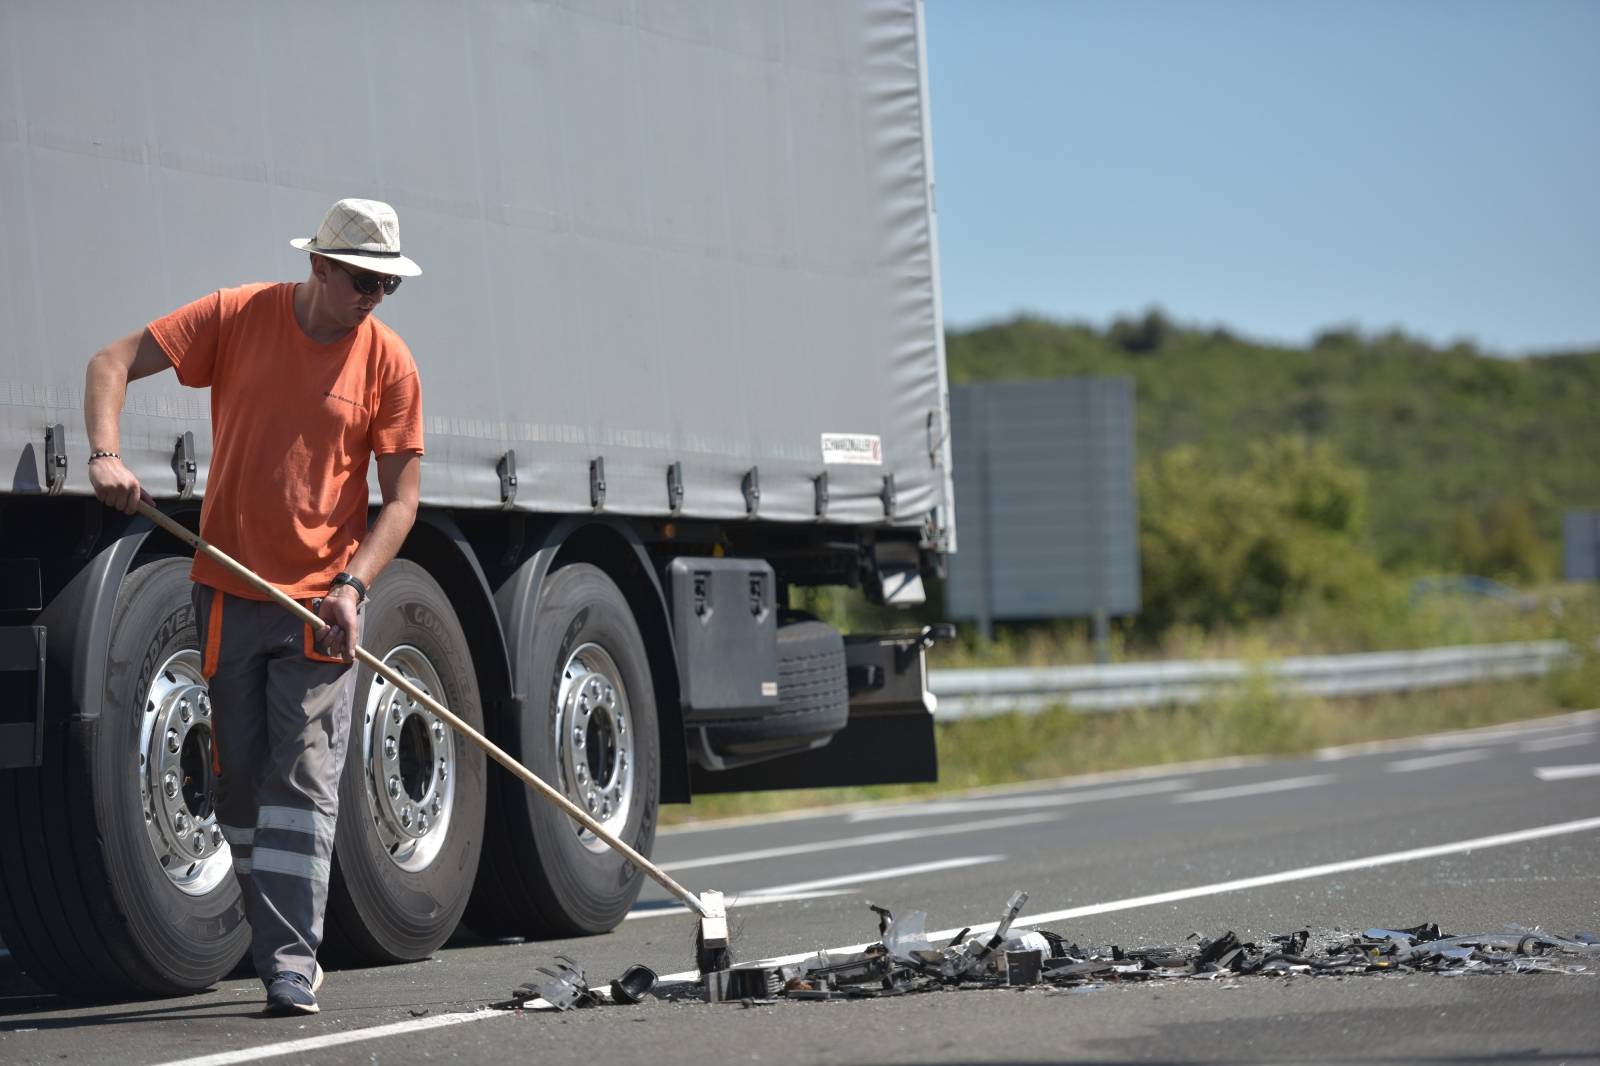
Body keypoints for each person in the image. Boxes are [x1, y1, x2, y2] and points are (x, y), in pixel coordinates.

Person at [83, 199, 425, 1016]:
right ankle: (272, 926)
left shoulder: (388, 363)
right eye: (362, 280)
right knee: (237, 786)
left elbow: (402, 501)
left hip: (321, 609)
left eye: (388, 284)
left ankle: (288, 962)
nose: (374, 296)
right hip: (229, 593)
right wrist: (105, 454)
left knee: (301, 779)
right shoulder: (238, 317)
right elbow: (109, 363)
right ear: (319, 266)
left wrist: (354, 587)